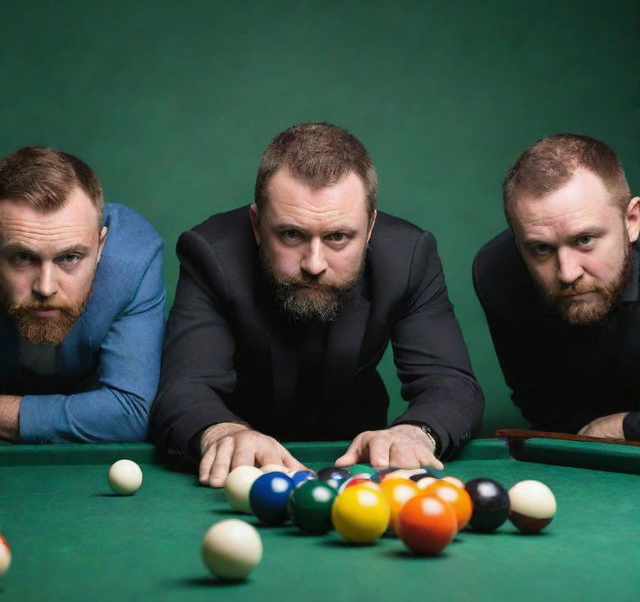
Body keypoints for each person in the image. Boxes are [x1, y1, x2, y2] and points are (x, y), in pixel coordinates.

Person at [151, 122, 483, 486]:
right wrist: (221, 433)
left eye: (338, 237)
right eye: (291, 234)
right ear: (257, 224)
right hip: (244, 470)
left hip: (359, 470)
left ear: (370, 228)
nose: (314, 263)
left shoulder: (408, 256)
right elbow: (185, 387)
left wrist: (415, 432)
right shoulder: (211, 254)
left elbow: (450, 384)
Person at [473, 133, 640, 441]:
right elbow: (542, 400)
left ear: (632, 220)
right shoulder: (498, 271)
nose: (567, 273)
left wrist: (627, 426)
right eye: (541, 249)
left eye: (585, 240)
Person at [0, 147, 165, 443]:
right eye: (23, 257)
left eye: (70, 257)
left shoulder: (132, 260)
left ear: (101, 247)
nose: (46, 287)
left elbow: (129, 411)